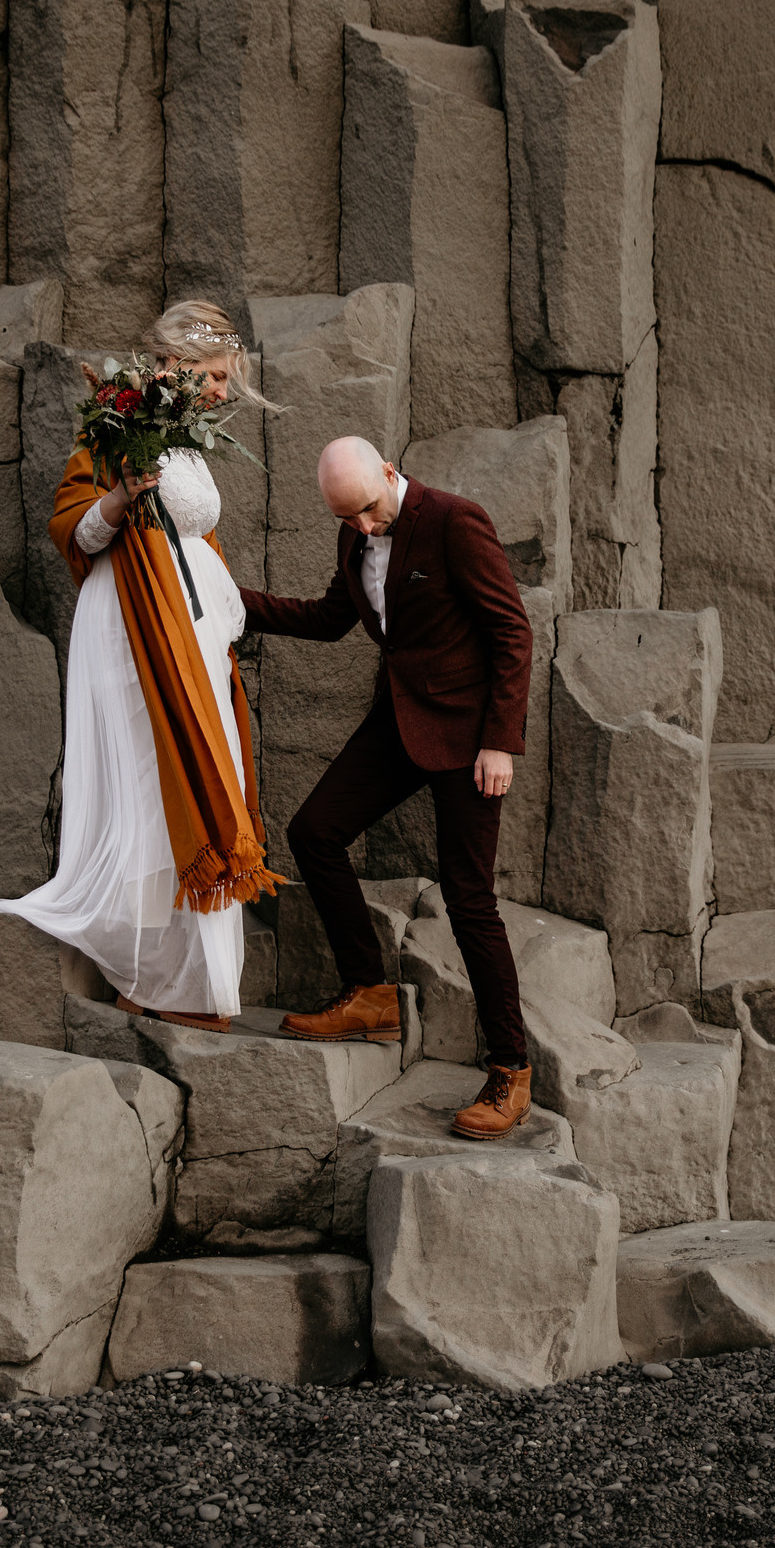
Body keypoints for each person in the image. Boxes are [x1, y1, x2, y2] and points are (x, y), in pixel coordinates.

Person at [0, 301, 278, 1032]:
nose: (224, 393)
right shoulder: (116, 424)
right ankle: (149, 972)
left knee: (199, 770)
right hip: (136, 629)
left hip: (191, 634)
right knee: (148, 780)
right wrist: (116, 498)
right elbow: (71, 528)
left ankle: (195, 983)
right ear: (171, 366)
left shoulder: (186, 441)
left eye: (226, 379)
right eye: (214, 377)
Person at [238, 436, 540, 1140]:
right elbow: (326, 619)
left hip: (470, 738)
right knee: (314, 831)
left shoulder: (455, 520)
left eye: (370, 511)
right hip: (400, 723)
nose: (365, 528)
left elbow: (512, 632)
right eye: (349, 520)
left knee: (470, 902)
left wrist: (501, 739)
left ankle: (510, 1070)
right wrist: (229, 601)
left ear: (389, 472)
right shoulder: (355, 538)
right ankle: (369, 995)